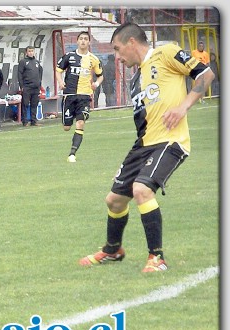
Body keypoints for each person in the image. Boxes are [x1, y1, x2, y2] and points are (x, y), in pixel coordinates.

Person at [78, 22, 214, 273]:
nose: (117, 58)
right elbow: (144, 124)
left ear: (132, 42)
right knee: (114, 200)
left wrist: (183, 106)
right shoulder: (136, 79)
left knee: (141, 189)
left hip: (171, 142)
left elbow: (206, 75)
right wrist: (130, 163)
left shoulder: (167, 53)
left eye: (118, 50)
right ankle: (112, 250)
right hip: (144, 145)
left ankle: (157, 258)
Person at [55, 31, 103, 163]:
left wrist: (96, 84)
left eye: (85, 39)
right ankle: (70, 119)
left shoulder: (94, 59)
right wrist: (60, 82)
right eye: (81, 39)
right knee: (66, 127)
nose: (83, 41)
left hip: (85, 96)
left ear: (89, 42)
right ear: (77, 41)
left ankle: (72, 154)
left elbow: (100, 75)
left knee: (80, 123)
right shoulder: (69, 56)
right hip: (69, 95)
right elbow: (58, 70)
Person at [18, 46, 43, 127]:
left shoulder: (37, 62)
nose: (31, 52)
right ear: (26, 52)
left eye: (32, 51)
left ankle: (33, 121)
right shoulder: (23, 62)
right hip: (27, 87)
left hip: (36, 87)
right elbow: (19, 74)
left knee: (34, 104)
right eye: (29, 51)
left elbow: (40, 73)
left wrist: (39, 84)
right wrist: (22, 85)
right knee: (25, 104)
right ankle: (25, 121)